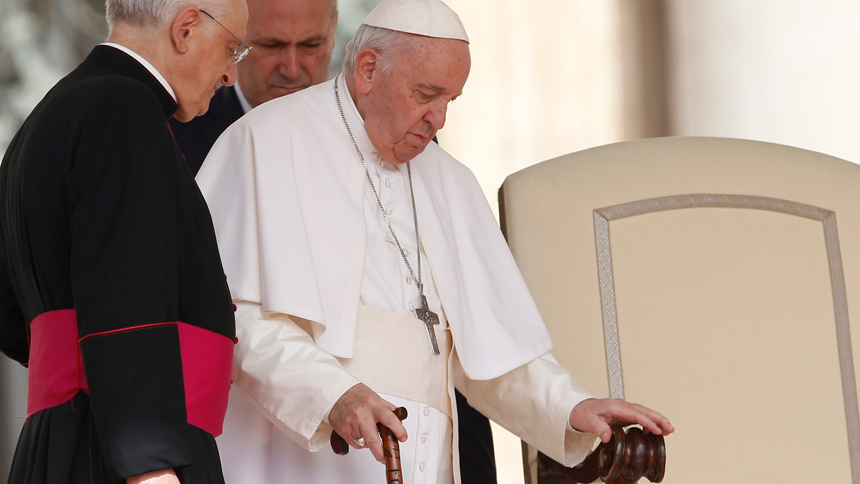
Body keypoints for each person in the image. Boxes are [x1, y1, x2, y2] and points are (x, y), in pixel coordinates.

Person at [196, 0, 675, 483]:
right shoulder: (264, 141)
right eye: (426, 94)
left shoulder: (451, 180)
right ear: (366, 69)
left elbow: (491, 356)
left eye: (450, 100)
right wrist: (331, 395)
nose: (438, 119)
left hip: (427, 460)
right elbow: (234, 319)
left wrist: (570, 405)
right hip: (306, 454)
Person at [0, 0, 249, 483]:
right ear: (186, 27)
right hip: (124, 454)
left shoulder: (46, 115)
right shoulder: (125, 108)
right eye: (231, 50)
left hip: (62, 440)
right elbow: (127, 297)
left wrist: (69, 362)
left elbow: (11, 311)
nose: (229, 76)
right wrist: (151, 465)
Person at [169, 0, 338, 175]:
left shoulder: (360, 133)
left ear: (334, 27)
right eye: (271, 46)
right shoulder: (171, 138)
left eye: (311, 45)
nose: (292, 70)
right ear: (235, 36)